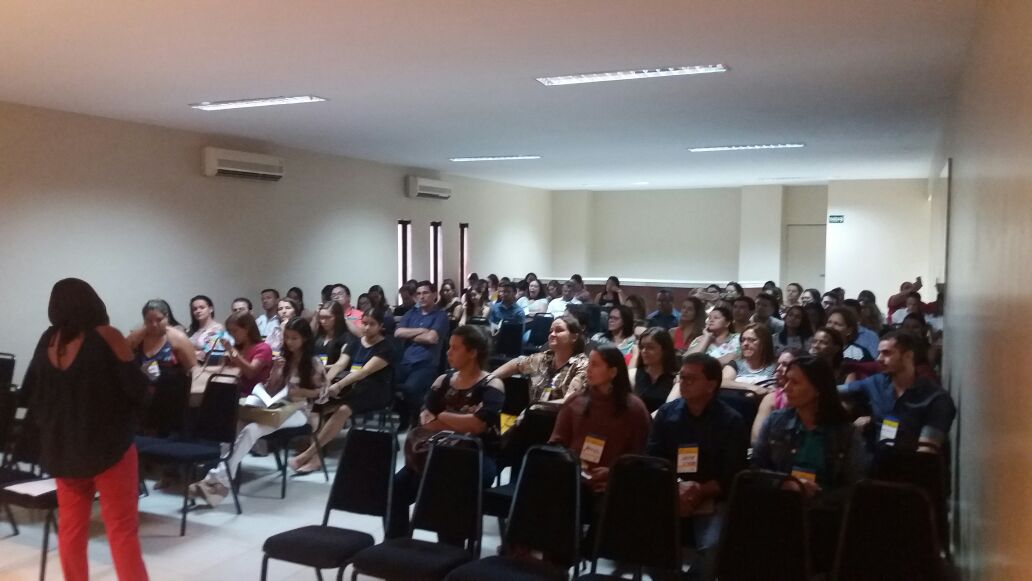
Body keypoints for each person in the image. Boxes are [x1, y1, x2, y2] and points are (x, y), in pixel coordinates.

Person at [20, 278, 150, 581]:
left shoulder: (48, 340)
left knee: (71, 529)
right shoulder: (108, 335)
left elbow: (29, 393)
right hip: (110, 449)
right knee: (121, 530)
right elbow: (138, 390)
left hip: (64, 451)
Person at [192, 317, 327, 506]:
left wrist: (302, 392)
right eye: (287, 337)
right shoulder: (284, 358)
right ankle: (218, 481)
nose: (289, 342)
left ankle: (216, 479)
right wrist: (277, 371)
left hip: (300, 411)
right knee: (237, 424)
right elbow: (271, 389)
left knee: (252, 429)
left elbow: (322, 394)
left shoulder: (312, 362)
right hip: (277, 405)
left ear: (305, 338)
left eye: (294, 338)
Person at [387, 325, 504, 539]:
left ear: (472, 352)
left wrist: (441, 415)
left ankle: (450, 549)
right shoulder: (443, 381)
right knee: (396, 487)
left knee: (447, 494)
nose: (448, 352)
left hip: (474, 457)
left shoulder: (492, 385)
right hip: (433, 452)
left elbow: (478, 425)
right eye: (449, 347)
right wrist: (460, 421)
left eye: (455, 348)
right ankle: (397, 542)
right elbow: (425, 420)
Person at [753, 355, 867, 573]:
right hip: (781, 507)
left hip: (827, 515)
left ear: (817, 389)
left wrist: (818, 496)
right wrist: (785, 484)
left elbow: (856, 484)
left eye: (795, 382)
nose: (786, 388)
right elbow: (757, 468)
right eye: (786, 380)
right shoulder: (776, 422)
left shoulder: (844, 432)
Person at [647, 353, 749, 580]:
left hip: (713, 497)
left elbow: (733, 474)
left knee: (713, 545)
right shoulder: (666, 414)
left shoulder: (731, 421)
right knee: (646, 533)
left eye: (691, 379)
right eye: (681, 377)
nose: (683, 383)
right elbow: (653, 459)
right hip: (672, 491)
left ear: (711, 385)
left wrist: (700, 491)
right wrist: (677, 487)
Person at [291, 307, 394, 473]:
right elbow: (340, 364)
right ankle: (316, 458)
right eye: (364, 323)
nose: (367, 327)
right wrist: (326, 382)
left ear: (381, 326)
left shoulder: (386, 347)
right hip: (351, 387)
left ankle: (306, 455)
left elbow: (364, 372)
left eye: (372, 324)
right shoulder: (355, 343)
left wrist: (339, 385)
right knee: (318, 406)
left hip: (375, 391)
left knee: (343, 409)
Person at [550, 345, 651, 494]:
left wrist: (614, 473)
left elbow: (640, 457)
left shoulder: (635, 409)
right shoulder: (575, 401)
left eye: (595, 365)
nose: (588, 369)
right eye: (589, 364)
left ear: (613, 372)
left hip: (617, 487)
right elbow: (557, 444)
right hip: (573, 482)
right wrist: (573, 466)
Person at [841, 331, 956, 453]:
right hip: (879, 459)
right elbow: (835, 390)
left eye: (886, 353)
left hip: (914, 461)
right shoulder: (877, 383)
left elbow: (927, 450)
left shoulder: (935, 398)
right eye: (879, 353)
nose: (879, 359)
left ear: (908, 356)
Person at [490, 314, 589, 406]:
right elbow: (517, 363)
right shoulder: (542, 358)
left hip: (559, 416)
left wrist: (537, 407)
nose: (552, 334)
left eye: (559, 330)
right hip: (533, 415)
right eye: (551, 331)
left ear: (574, 337)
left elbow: (569, 401)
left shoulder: (582, 365)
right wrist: (489, 379)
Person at [394, 281, 451, 428]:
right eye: (418, 294)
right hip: (406, 362)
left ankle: (415, 417)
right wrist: (421, 331)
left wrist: (409, 335)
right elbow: (398, 332)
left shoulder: (440, 315)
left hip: (426, 364)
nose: (421, 297)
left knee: (411, 388)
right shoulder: (411, 313)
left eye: (425, 293)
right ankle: (404, 416)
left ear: (434, 295)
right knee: (387, 383)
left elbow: (431, 338)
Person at [127, 299, 196, 384]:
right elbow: (123, 362)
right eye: (149, 320)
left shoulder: (178, 338)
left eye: (159, 320)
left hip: (173, 387)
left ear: (166, 317)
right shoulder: (136, 337)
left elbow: (193, 369)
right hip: (143, 388)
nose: (154, 324)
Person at [750, 348, 804, 443]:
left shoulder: (810, 397)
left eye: (785, 365)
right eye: (778, 364)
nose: (778, 369)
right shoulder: (771, 398)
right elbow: (756, 439)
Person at [220, 311, 274, 396]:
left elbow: (250, 373)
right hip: (233, 392)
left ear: (247, 329)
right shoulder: (237, 348)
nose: (232, 335)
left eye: (235, 331)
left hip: (252, 396)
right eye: (230, 332)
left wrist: (232, 351)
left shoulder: (263, 348)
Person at [629, 327, 678, 413]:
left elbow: (670, 409)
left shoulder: (676, 379)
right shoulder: (633, 375)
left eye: (650, 347)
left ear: (665, 350)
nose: (644, 351)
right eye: (642, 347)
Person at [722, 323, 777, 391]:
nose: (745, 344)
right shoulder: (735, 364)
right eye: (743, 340)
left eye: (751, 340)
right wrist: (750, 387)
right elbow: (723, 382)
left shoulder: (775, 367)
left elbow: (774, 391)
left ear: (764, 343)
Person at [187, 295, 226, 362]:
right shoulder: (190, 329)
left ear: (211, 309)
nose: (198, 311)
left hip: (208, 364)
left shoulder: (218, 328)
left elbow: (209, 352)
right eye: (195, 309)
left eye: (202, 307)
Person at [313, 301, 350, 367]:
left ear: (338, 317)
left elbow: (341, 365)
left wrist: (321, 368)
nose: (323, 321)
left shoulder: (346, 338)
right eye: (321, 317)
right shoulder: (318, 335)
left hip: (336, 372)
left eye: (328, 317)